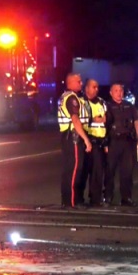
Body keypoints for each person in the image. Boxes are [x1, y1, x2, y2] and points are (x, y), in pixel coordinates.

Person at [104, 83, 138, 207]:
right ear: (111, 93)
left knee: (127, 172)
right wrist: (104, 143)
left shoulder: (129, 106)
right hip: (113, 142)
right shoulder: (107, 106)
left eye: (121, 90)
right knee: (109, 171)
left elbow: (137, 123)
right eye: (116, 90)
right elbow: (103, 125)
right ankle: (107, 197)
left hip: (127, 142)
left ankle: (126, 198)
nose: (119, 93)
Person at [57, 73, 92, 208]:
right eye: (79, 81)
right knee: (74, 170)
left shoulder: (66, 96)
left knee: (70, 170)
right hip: (74, 138)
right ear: (70, 82)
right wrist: (86, 139)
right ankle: (71, 202)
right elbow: (75, 120)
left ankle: (70, 200)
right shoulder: (72, 98)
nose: (81, 83)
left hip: (68, 137)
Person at [79, 79, 107, 206]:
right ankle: (78, 198)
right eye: (93, 87)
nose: (96, 89)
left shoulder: (101, 102)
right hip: (87, 140)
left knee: (97, 172)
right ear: (86, 88)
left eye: (97, 87)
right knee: (83, 171)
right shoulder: (81, 102)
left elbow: (107, 119)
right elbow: (79, 119)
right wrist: (93, 119)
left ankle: (95, 199)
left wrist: (106, 142)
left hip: (100, 142)